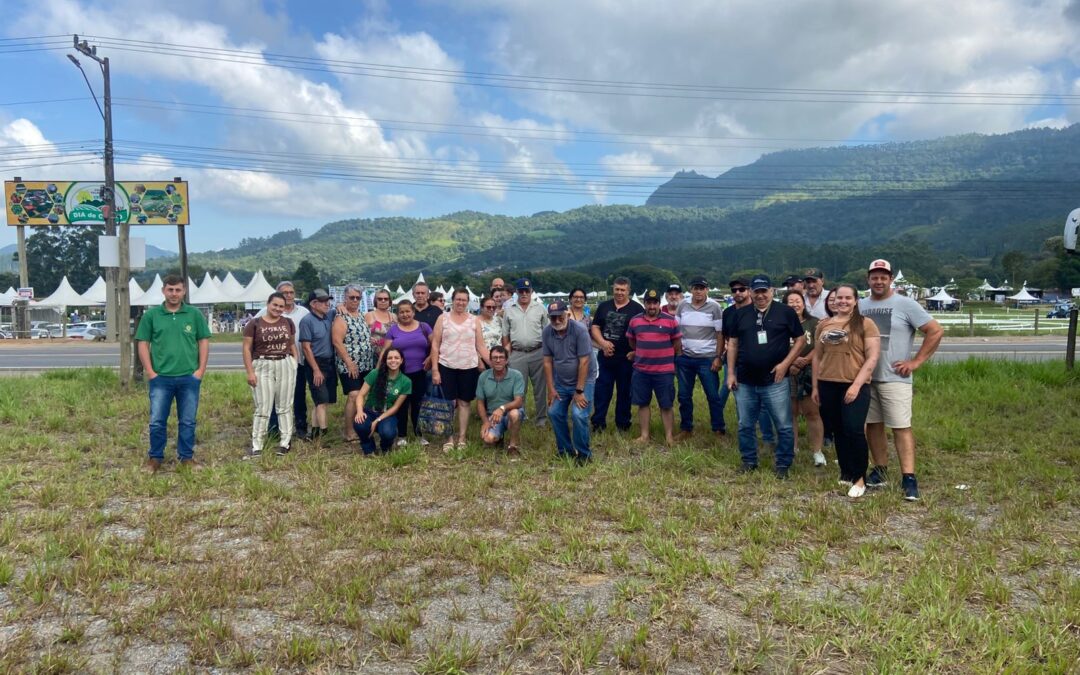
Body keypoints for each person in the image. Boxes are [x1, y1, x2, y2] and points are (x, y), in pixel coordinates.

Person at [859, 259, 944, 501]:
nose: (878, 281)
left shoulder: (905, 304)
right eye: (874, 277)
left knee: (900, 426)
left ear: (891, 279)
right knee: (873, 425)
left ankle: (909, 477)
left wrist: (915, 362)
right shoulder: (860, 305)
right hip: (867, 378)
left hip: (895, 378)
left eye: (883, 276)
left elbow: (935, 330)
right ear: (868, 279)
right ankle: (880, 469)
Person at [725, 275, 804, 478]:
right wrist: (731, 373)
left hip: (775, 380)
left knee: (783, 424)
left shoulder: (785, 312)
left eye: (764, 291)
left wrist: (785, 364)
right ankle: (749, 461)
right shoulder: (740, 314)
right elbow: (732, 344)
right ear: (751, 292)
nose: (760, 295)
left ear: (772, 291)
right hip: (745, 380)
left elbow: (800, 339)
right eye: (756, 291)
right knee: (745, 424)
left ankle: (783, 464)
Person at [136, 274, 210, 473]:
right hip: (161, 378)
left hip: (189, 377)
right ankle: (155, 458)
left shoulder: (194, 314)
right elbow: (143, 343)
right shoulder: (152, 316)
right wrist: (150, 372)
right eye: (170, 289)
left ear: (184, 291)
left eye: (178, 290)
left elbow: (203, 341)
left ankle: (186, 457)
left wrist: (200, 370)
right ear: (163, 291)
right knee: (157, 421)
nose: (174, 293)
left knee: (187, 420)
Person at [812, 284, 881, 498]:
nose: (842, 301)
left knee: (853, 430)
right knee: (838, 430)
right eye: (838, 298)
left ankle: (860, 478)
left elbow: (872, 357)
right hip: (827, 383)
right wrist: (815, 386)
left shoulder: (865, 324)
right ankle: (847, 472)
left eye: (847, 298)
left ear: (855, 301)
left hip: (853, 384)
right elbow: (817, 357)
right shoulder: (823, 324)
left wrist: (856, 385)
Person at [430, 288, 490, 451]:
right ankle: (449, 437)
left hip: (468, 366)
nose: (461, 303)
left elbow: (480, 345)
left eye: (464, 300)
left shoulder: (474, 320)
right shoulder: (443, 318)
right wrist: (435, 369)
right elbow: (435, 345)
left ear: (468, 301)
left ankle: (462, 437)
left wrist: (493, 362)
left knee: (464, 402)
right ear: (453, 300)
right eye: (458, 299)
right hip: (446, 365)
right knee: (449, 403)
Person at [242, 291, 298, 459]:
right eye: (275, 305)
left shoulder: (288, 322)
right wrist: (250, 371)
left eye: (281, 306)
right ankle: (257, 444)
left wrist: (294, 361)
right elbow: (246, 348)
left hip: (284, 362)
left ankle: (285, 442)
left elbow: (292, 343)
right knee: (263, 406)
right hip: (262, 363)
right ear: (268, 304)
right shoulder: (255, 323)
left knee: (285, 405)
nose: (278, 308)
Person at [627, 289, 682, 446]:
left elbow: (676, 343)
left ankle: (669, 436)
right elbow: (632, 341)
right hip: (641, 369)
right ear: (644, 304)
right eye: (648, 303)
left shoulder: (670, 320)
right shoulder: (635, 321)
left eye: (655, 302)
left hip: (664, 370)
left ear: (659, 303)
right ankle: (644, 435)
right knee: (643, 403)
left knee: (666, 404)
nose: (652, 306)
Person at [543, 300, 595, 464]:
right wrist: (551, 389)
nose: (557, 321)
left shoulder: (579, 330)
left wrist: (579, 391)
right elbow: (547, 362)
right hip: (561, 381)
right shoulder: (546, 332)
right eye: (553, 318)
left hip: (584, 380)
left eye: (560, 316)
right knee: (554, 412)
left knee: (579, 414)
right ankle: (565, 450)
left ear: (567, 314)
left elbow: (584, 362)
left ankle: (584, 454)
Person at [674, 276, 726, 441]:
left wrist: (718, 357)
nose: (698, 291)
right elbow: (676, 330)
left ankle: (718, 429)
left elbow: (720, 334)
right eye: (695, 288)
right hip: (685, 359)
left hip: (707, 358)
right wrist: (678, 352)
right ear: (691, 289)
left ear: (707, 290)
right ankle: (686, 428)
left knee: (713, 396)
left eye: (701, 288)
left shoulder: (715, 307)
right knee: (683, 395)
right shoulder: (683, 305)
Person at [723, 277, 774, 445]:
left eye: (741, 289)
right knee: (742, 402)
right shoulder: (729, 313)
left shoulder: (762, 310)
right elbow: (729, 338)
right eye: (734, 290)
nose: (738, 292)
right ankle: (746, 436)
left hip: (762, 364)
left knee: (764, 403)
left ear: (749, 291)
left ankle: (767, 438)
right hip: (737, 363)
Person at [590, 277, 644, 432]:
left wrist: (636, 351)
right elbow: (595, 327)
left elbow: (642, 333)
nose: (619, 292)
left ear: (629, 291)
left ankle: (623, 424)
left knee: (624, 392)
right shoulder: (604, 306)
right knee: (602, 391)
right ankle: (598, 423)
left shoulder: (637, 309)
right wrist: (603, 343)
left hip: (626, 359)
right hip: (606, 357)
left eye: (623, 290)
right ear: (612, 289)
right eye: (617, 289)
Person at [260, 281, 310, 441]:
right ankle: (274, 429)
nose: (288, 295)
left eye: (291, 292)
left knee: (299, 396)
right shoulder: (265, 311)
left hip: (297, 362)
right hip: (273, 362)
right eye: (285, 292)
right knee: (274, 397)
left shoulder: (303, 311)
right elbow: (252, 333)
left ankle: (301, 428)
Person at [383, 299, 433, 445]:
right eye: (401, 312)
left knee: (418, 404)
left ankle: (419, 435)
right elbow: (386, 351)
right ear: (397, 314)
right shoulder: (393, 330)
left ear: (413, 312)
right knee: (401, 405)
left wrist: (430, 357)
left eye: (407, 311)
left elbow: (436, 344)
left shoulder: (424, 327)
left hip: (420, 372)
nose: (405, 314)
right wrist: (379, 368)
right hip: (400, 374)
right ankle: (402, 436)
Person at [784, 290, 825, 466]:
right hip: (787, 371)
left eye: (797, 301)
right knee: (790, 413)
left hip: (809, 372)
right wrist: (791, 363)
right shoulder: (780, 324)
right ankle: (792, 448)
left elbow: (821, 346)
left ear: (804, 303)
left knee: (812, 412)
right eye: (790, 301)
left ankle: (817, 451)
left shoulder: (814, 323)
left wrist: (804, 361)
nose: (794, 304)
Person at [501, 278, 550, 425]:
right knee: (518, 389)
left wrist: (547, 354)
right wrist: (507, 355)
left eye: (526, 291)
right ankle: (520, 416)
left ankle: (541, 418)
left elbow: (547, 332)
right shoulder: (509, 310)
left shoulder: (540, 308)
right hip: (517, 353)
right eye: (521, 291)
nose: (524, 294)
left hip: (538, 352)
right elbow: (505, 335)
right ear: (516, 292)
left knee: (540, 388)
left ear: (531, 292)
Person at [333, 285, 376, 442]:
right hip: (349, 364)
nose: (355, 300)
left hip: (365, 363)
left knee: (362, 395)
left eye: (358, 297)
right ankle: (349, 431)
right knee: (353, 395)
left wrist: (369, 340)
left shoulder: (361, 315)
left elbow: (359, 335)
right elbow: (337, 342)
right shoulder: (341, 317)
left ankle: (360, 425)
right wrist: (349, 363)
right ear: (345, 298)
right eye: (352, 297)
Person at [352, 347, 411, 455]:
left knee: (388, 433)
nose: (393, 360)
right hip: (370, 410)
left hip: (387, 414)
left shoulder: (406, 382)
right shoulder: (375, 373)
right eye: (390, 358)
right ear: (385, 360)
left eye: (396, 358)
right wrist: (360, 411)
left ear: (401, 360)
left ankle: (385, 448)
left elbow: (395, 407)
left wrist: (377, 421)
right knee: (360, 424)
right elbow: (361, 395)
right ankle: (369, 448)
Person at [299, 288, 337, 441]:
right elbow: (306, 348)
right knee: (321, 400)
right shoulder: (307, 321)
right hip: (316, 363)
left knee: (322, 400)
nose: (327, 304)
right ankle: (324, 434)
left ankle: (314, 432)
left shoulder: (328, 316)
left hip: (330, 362)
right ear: (313, 303)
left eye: (328, 300)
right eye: (322, 301)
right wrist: (315, 370)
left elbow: (339, 309)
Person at [475, 345, 526, 455]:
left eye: (501, 357)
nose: (498, 360)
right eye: (495, 358)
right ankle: (499, 436)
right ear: (490, 360)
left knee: (514, 414)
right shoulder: (483, 377)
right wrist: (485, 422)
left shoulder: (516, 375)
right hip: (492, 416)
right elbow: (480, 403)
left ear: (506, 360)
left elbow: (518, 401)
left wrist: (502, 408)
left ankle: (513, 446)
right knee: (488, 438)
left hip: (510, 412)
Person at [365, 288, 396, 353]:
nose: (383, 301)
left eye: (386, 299)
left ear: (389, 301)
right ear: (375, 301)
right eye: (380, 299)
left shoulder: (394, 317)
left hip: (392, 355)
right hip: (373, 355)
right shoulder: (368, 315)